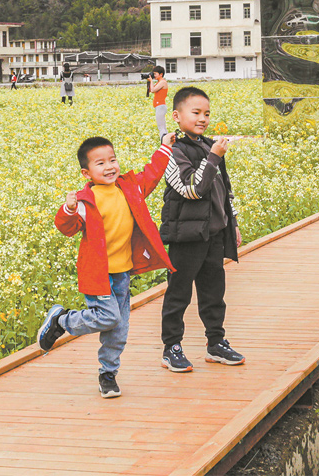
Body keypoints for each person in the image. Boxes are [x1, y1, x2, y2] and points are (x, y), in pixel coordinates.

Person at [37, 133, 177, 398]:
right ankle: (62, 320)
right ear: (86, 173)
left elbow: (152, 174)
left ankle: (108, 374)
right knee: (109, 318)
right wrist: (68, 209)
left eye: (112, 160)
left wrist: (165, 147)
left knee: (119, 329)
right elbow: (66, 228)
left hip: (122, 273)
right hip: (99, 275)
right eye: (100, 163)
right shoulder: (85, 200)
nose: (110, 166)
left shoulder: (129, 188)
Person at [159, 86, 245, 373]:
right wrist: (214, 158)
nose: (203, 119)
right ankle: (171, 348)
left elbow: (224, 191)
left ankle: (216, 343)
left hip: (213, 233)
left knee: (213, 293)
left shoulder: (210, 146)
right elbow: (191, 189)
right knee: (179, 294)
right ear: (176, 116)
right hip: (186, 237)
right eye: (195, 112)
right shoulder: (172, 151)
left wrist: (232, 223)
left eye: (207, 113)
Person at [147, 65, 169, 139]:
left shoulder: (163, 82)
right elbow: (150, 90)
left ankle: (164, 141)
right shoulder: (159, 82)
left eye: (155, 74)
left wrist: (151, 81)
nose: (154, 75)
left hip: (161, 106)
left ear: (161, 74)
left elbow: (153, 90)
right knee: (162, 127)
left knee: (161, 127)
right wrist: (149, 82)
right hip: (159, 106)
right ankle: (166, 141)